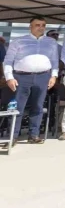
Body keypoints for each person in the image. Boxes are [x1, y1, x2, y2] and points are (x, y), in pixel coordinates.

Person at [2, 16, 59, 147]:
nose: (41, 28)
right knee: (17, 108)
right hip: (21, 77)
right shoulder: (18, 41)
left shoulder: (51, 42)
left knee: (38, 106)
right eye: (37, 25)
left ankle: (34, 135)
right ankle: (12, 137)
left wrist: (54, 76)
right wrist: (9, 77)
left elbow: (54, 60)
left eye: (43, 25)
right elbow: (8, 61)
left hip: (43, 76)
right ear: (30, 27)